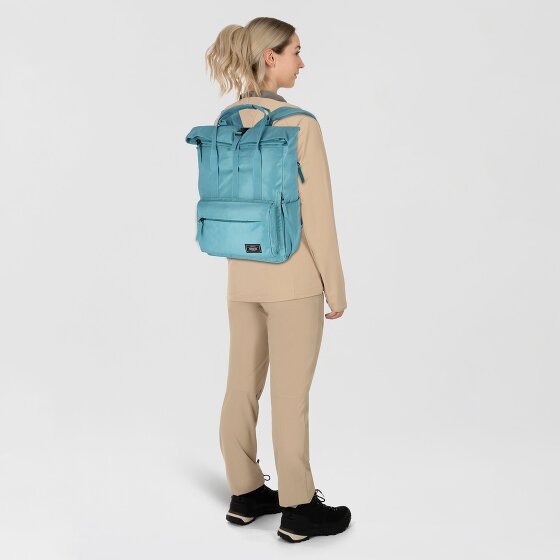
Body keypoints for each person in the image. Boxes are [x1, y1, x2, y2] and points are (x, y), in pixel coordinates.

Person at [204, 16, 351, 543]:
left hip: (241, 278)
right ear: (270, 56)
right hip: (292, 281)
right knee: (291, 396)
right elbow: (319, 217)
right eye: (295, 51)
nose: (301, 62)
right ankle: (298, 508)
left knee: (240, 386)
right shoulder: (300, 125)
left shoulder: (226, 122)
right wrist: (335, 286)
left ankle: (245, 494)